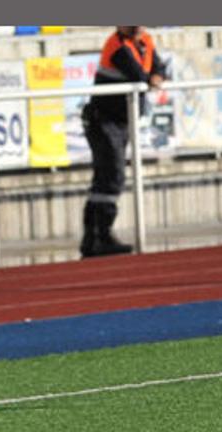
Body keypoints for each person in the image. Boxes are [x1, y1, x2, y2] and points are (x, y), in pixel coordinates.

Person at [80, 26, 166, 258]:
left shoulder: (145, 40)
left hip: (120, 120)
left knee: (108, 176)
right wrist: (151, 79)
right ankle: (98, 235)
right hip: (103, 121)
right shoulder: (117, 45)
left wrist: (157, 75)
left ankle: (97, 237)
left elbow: (158, 66)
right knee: (111, 175)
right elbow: (137, 74)